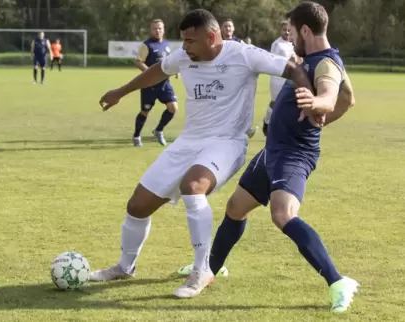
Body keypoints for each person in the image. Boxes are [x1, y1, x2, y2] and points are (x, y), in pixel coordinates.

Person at [90, 8, 313, 299]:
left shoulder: (244, 55)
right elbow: (159, 71)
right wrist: (121, 91)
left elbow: (293, 69)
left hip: (228, 142)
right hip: (188, 141)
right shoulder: (185, 56)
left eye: (190, 41)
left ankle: (202, 269)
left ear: (212, 36)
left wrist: (311, 100)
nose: (184, 47)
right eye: (183, 40)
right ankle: (124, 266)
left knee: (193, 187)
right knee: (137, 206)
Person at [178, 1, 359, 312]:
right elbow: (349, 98)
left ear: (304, 30)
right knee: (236, 207)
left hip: (293, 153)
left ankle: (337, 280)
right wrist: (323, 113)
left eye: (292, 32)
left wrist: (318, 104)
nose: (289, 38)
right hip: (273, 150)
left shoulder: (325, 63)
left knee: (283, 214)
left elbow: (332, 95)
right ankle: (211, 266)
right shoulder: (312, 58)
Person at [132, 19, 178, 147]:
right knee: (145, 111)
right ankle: (136, 136)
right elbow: (138, 61)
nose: (157, 31)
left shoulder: (167, 45)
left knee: (173, 108)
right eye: (154, 29)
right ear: (151, 30)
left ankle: (159, 130)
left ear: (163, 30)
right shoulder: (147, 45)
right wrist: (150, 74)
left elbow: (169, 62)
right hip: (149, 85)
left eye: (159, 28)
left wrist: (175, 71)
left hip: (164, 84)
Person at [221, 18, 258, 138]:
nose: (228, 29)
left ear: (233, 28)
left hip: (236, 79)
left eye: (230, 26)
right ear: (221, 28)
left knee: (241, 104)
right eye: (225, 26)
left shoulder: (239, 42)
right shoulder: (218, 42)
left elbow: (251, 51)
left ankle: (244, 129)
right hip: (221, 79)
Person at [263, 20, 296, 136]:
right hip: (278, 79)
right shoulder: (276, 44)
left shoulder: (293, 43)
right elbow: (272, 60)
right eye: (284, 30)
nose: (287, 32)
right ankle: (267, 122)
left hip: (290, 79)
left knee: (287, 103)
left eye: (288, 30)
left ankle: (282, 127)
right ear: (280, 30)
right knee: (275, 102)